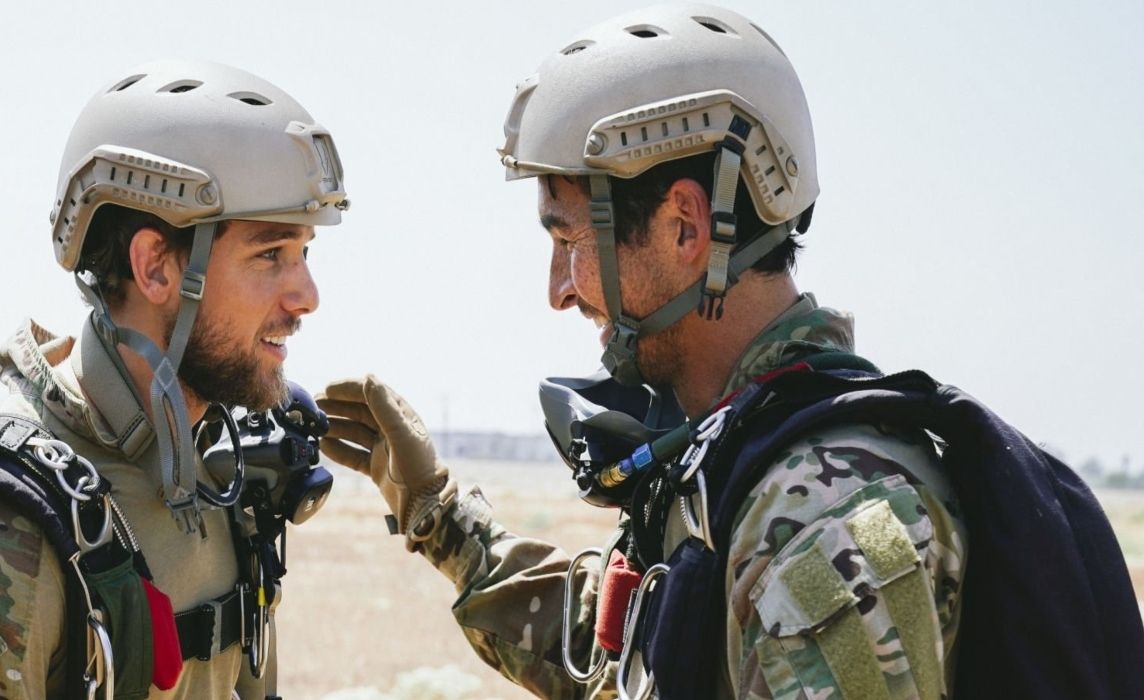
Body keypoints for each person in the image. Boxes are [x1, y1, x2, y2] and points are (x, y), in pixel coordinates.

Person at [317, 5, 967, 699]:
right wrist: (436, 511)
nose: (558, 291)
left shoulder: (822, 524)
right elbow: (620, 650)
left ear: (685, 227)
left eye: (569, 242)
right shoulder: (737, 464)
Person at [0, 59, 347, 699]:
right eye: (270, 255)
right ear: (155, 269)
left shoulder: (220, 484)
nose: (306, 295)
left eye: (304, 252)